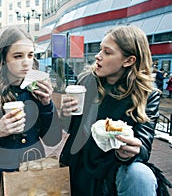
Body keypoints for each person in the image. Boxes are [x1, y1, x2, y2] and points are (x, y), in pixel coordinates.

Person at [60, 25, 161, 195]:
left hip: (114, 166)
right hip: (81, 159)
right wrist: (66, 114)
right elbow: (71, 129)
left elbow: (143, 146)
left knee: (141, 176)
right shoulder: (87, 81)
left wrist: (127, 153)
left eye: (107, 52)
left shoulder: (146, 94)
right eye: (100, 50)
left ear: (128, 61)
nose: (98, 56)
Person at [0, 27, 62, 196]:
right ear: (3, 59)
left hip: (34, 181)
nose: (26, 62)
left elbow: (53, 139)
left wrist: (47, 104)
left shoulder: (36, 92)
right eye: (18, 56)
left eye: (30, 55)